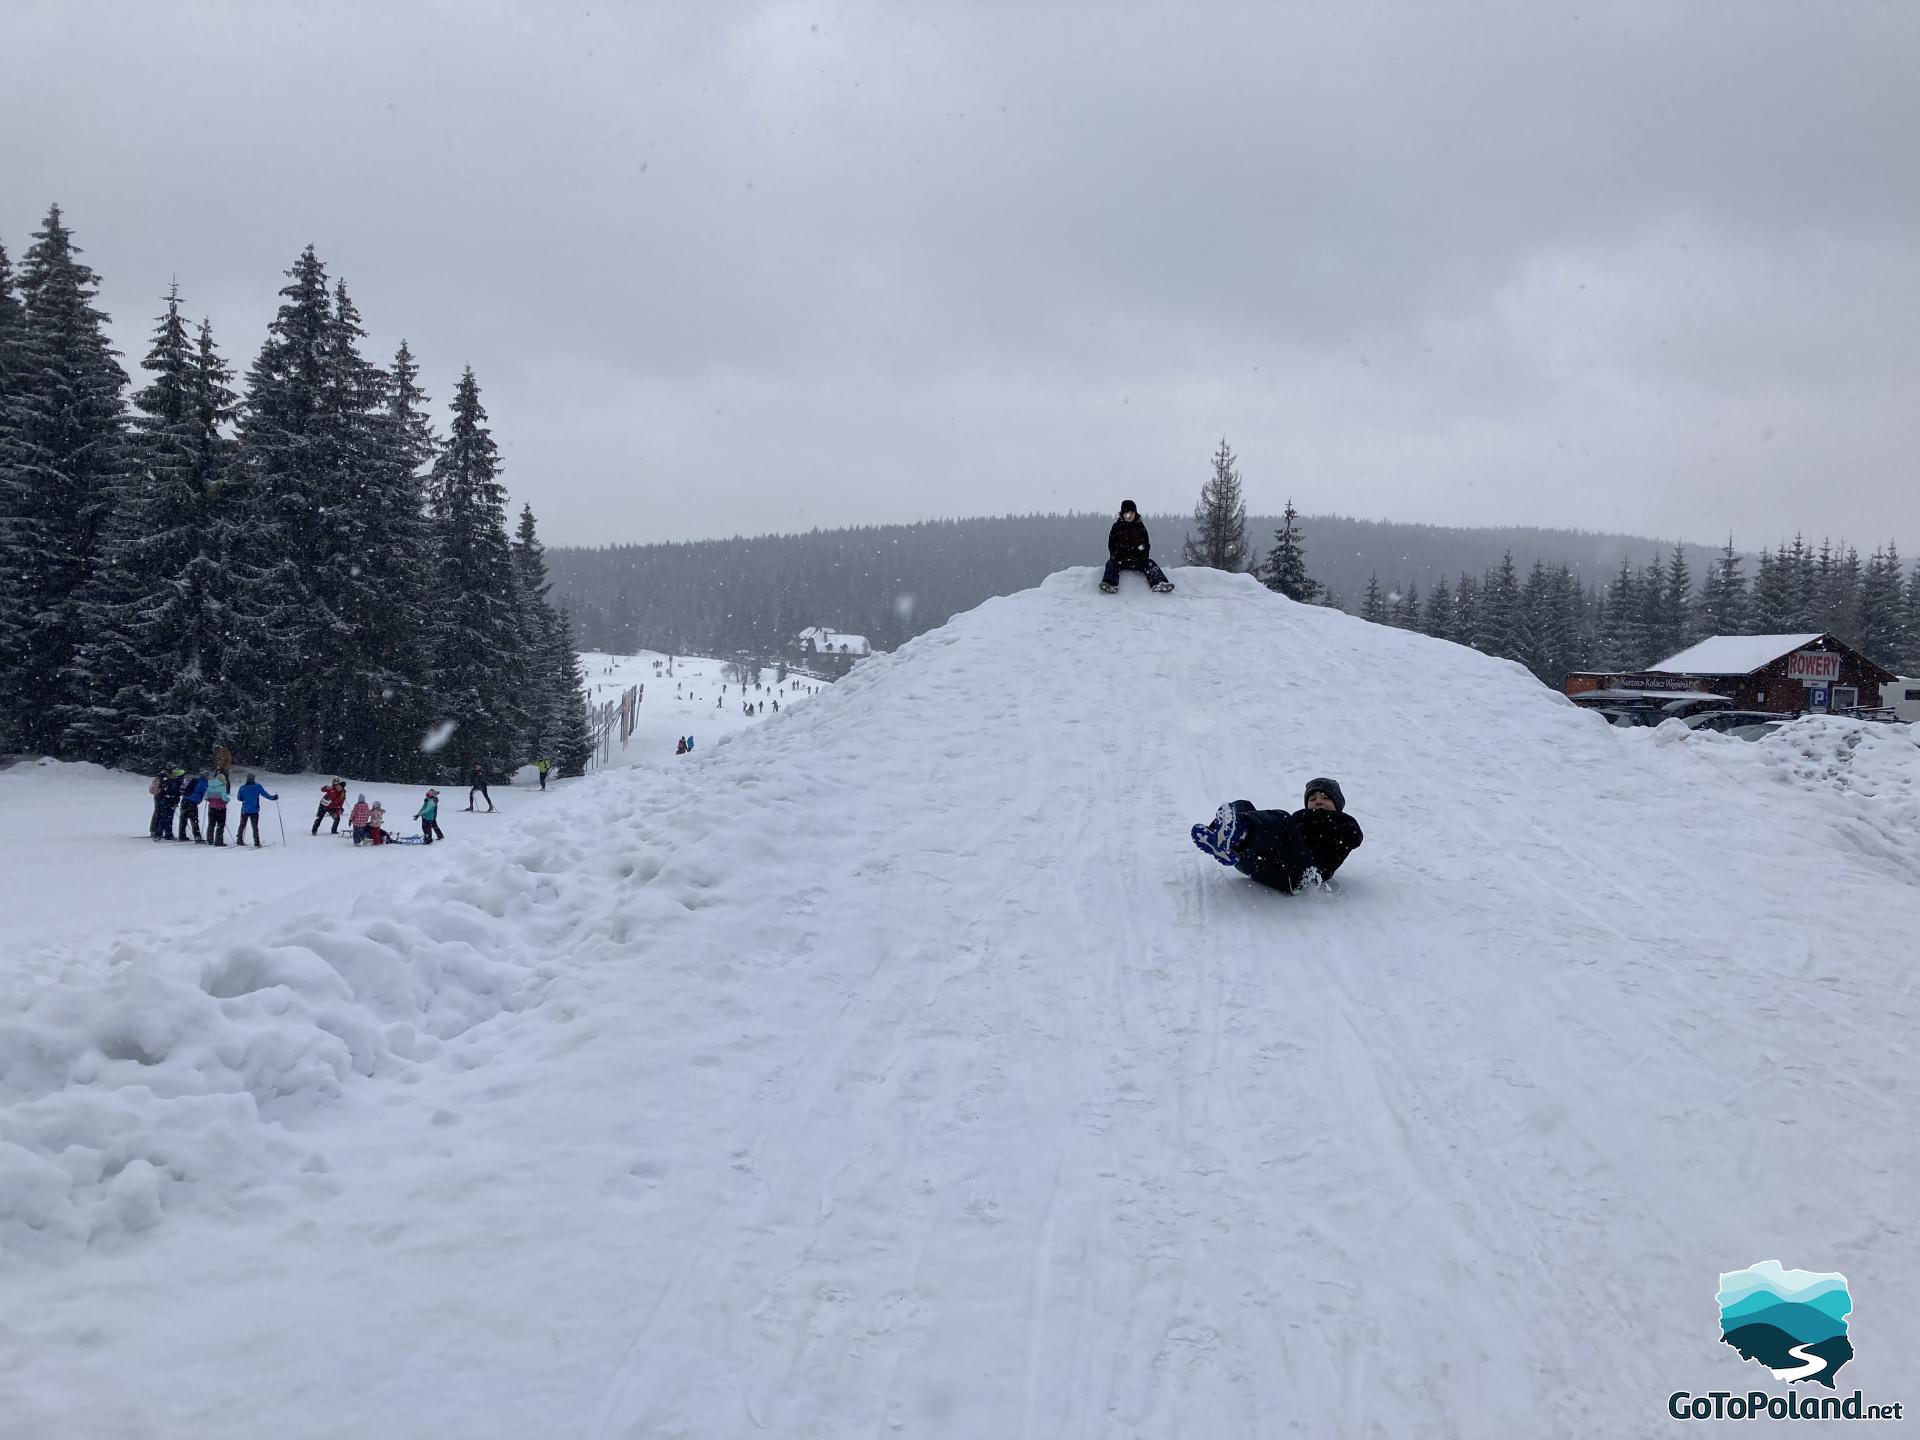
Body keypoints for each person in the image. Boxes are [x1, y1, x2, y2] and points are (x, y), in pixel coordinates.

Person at [1190, 777, 1363, 893]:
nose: (1318, 801)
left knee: (1282, 819)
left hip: (1302, 876)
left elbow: (1354, 837)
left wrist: (1321, 823)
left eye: (1325, 797)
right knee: (1242, 805)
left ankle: (1236, 833)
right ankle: (1220, 840)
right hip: (1259, 865)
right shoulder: (1299, 818)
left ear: (1337, 804)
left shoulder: (1343, 823)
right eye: (1313, 799)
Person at [1101, 499, 1174, 594]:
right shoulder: (1117, 527)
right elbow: (1111, 544)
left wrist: (1143, 557)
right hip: (1120, 559)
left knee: (1150, 564)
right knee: (1111, 564)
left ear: (1135, 513)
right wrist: (1116, 555)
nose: (1129, 515)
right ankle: (1110, 584)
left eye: (1132, 512)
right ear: (1122, 514)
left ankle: (1160, 583)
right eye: (1127, 512)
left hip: (1138, 560)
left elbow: (1146, 545)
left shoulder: (1140, 527)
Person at [234, 773, 278, 848]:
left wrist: (245, 798)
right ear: (254, 779)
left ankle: (239, 840)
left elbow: (239, 798)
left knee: (242, 825)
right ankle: (256, 842)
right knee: (254, 826)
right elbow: (264, 794)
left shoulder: (242, 788)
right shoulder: (257, 786)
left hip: (245, 809)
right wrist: (273, 798)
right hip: (254, 809)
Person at [204, 772, 231, 846]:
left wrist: (211, 800)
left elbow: (206, 797)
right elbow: (225, 799)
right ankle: (218, 841)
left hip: (211, 808)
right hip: (221, 809)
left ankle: (210, 840)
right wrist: (228, 800)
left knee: (211, 824)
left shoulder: (210, 787)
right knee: (220, 825)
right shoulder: (222, 787)